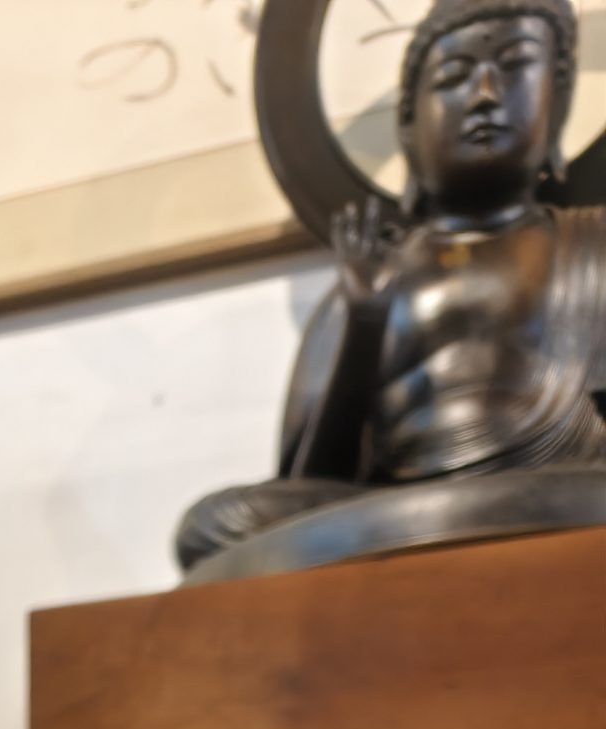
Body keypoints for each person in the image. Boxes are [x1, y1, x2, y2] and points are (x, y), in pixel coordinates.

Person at [177, 0, 606, 571]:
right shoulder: (373, 276)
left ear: (556, 104)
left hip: (557, 486)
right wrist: (364, 319)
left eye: (514, 66)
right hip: (392, 503)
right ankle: (441, 520)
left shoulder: (594, 242)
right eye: (453, 77)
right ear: (410, 127)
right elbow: (312, 478)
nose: (485, 94)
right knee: (218, 523)